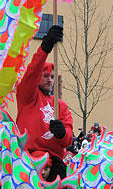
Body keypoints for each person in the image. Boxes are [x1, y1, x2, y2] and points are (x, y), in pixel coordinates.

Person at [16, 25, 73, 181]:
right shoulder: (28, 96)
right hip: (27, 157)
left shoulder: (60, 105)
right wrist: (45, 47)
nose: (50, 79)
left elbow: (68, 138)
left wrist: (62, 133)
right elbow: (32, 72)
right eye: (46, 75)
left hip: (54, 161)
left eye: (53, 77)